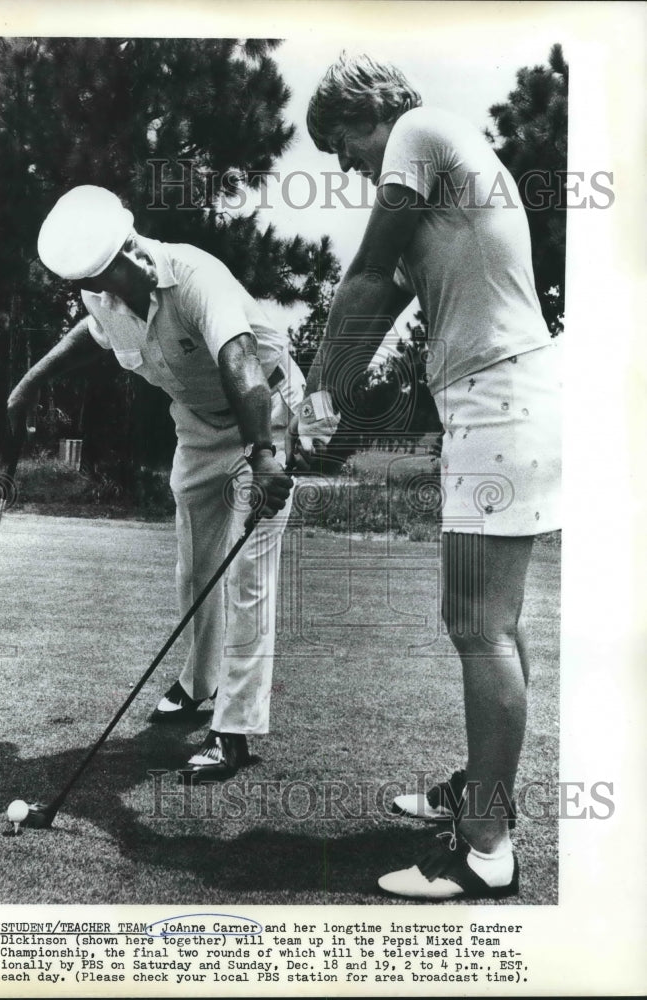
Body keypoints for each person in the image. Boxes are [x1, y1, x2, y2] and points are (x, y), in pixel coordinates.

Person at [294, 54, 561, 899]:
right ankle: (482, 792)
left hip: (499, 400)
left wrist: (318, 392)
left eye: (341, 142)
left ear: (374, 108)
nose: (344, 165)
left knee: (476, 623)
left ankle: (484, 849)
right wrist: (328, 408)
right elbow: (381, 306)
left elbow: (367, 277)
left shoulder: (419, 129)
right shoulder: (439, 186)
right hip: (498, 401)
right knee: (494, 623)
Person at [8, 185, 303, 783]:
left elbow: (240, 360)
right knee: (194, 568)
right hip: (196, 427)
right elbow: (90, 336)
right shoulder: (106, 297)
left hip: (264, 415)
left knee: (247, 576)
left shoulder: (197, 276)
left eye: (129, 252)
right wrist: (29, 383)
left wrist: (265, 456)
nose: (130, 267)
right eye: (110, 271)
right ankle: (199, 683)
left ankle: (236, 730)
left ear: (133, 238)